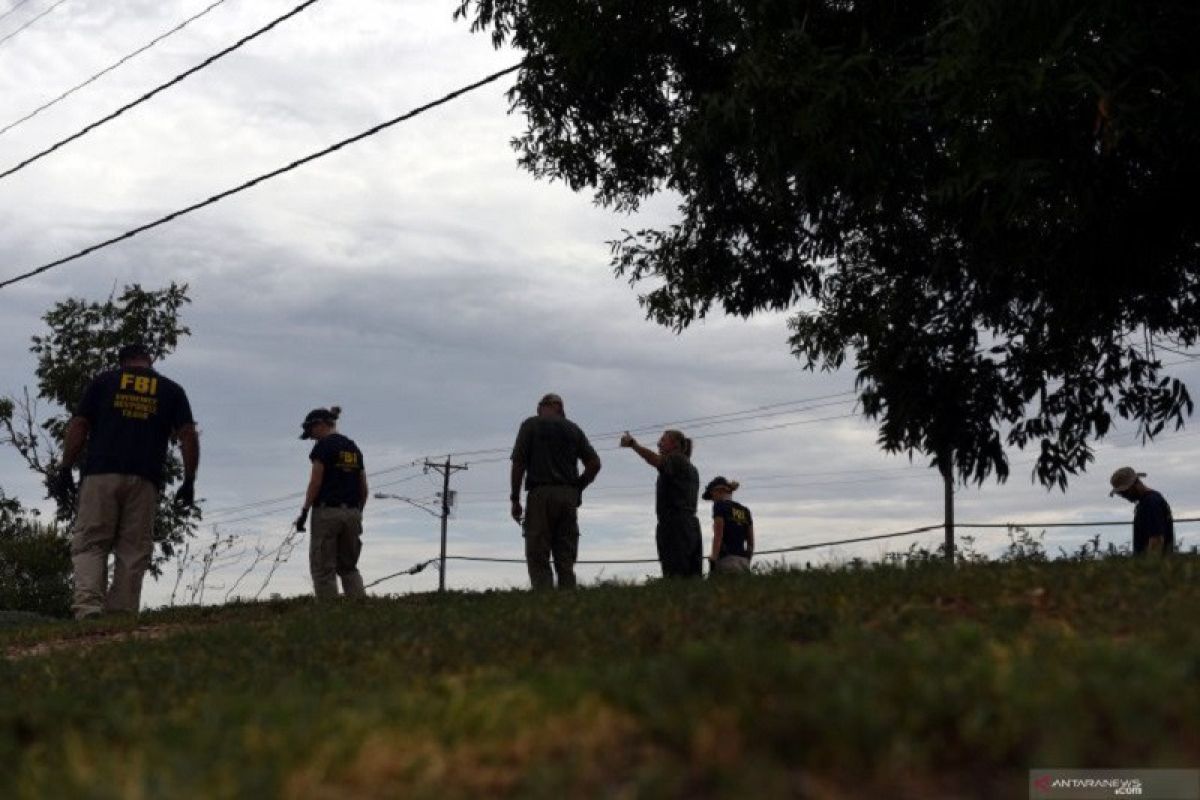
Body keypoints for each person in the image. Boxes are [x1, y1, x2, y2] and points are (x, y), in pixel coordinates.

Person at [53, 342, 199, 620]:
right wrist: (189, 479)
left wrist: (64, 468)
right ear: (150, 359)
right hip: (145, 478)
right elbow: (188, 434)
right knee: (133, 548)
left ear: (122, 362)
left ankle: (88, 608)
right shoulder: (171, 390)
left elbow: (80, 425)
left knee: (91, 542)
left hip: (100, 474)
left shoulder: (103, 382)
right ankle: (121, 613)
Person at [510, 392, 602, 590]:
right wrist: (578, 487)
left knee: (538, 553)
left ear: (546, 406)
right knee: (565, 555)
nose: (538, 409)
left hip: (540, 495)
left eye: (540, 405)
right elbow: (594, 463)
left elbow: (518, 463)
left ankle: (545, 601)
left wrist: (515, 499)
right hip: (568, 496)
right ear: (561, 408)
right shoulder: (574, 430)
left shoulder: (531, 425)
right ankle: (568, 601)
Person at [294, 406, 368, 599]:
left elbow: (315, 482)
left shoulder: (323, 447)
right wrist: (358, 512)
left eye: (311, 432)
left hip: (327, 514)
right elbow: (363, 487)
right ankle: (362, 611)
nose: (311, 437)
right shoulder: (353, 448)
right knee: (349, 568)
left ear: (319, 425)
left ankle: (329, 617)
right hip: (353, 513)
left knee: (323, 569)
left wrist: (304, 512)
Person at [620, 429, 702, 578]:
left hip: (675, 526)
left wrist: (633, 445)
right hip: (689, 526)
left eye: (663, 441)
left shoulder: (676, 459)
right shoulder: (691, 467)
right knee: (692, 576)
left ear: (675, 445)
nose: (658, 443)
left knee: (675, 575)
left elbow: (656, 460)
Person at [1109, 466, 1174, 555]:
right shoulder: (1148, 501)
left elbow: (1157, 539)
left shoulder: (1150, 503)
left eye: (1125, 492)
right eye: (1120, 493)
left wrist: (1149, 566)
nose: (1123, 496)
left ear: (1136, 484)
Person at [702, 476, 754, 575]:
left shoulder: (719, 506)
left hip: (726, 561)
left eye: (712, 496)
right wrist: (747, 560)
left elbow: (718, 535)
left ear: (718, 491)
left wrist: (713, 559)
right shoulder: (745, 510)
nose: (713, 500)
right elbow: (751, 542)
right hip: (743, 562)